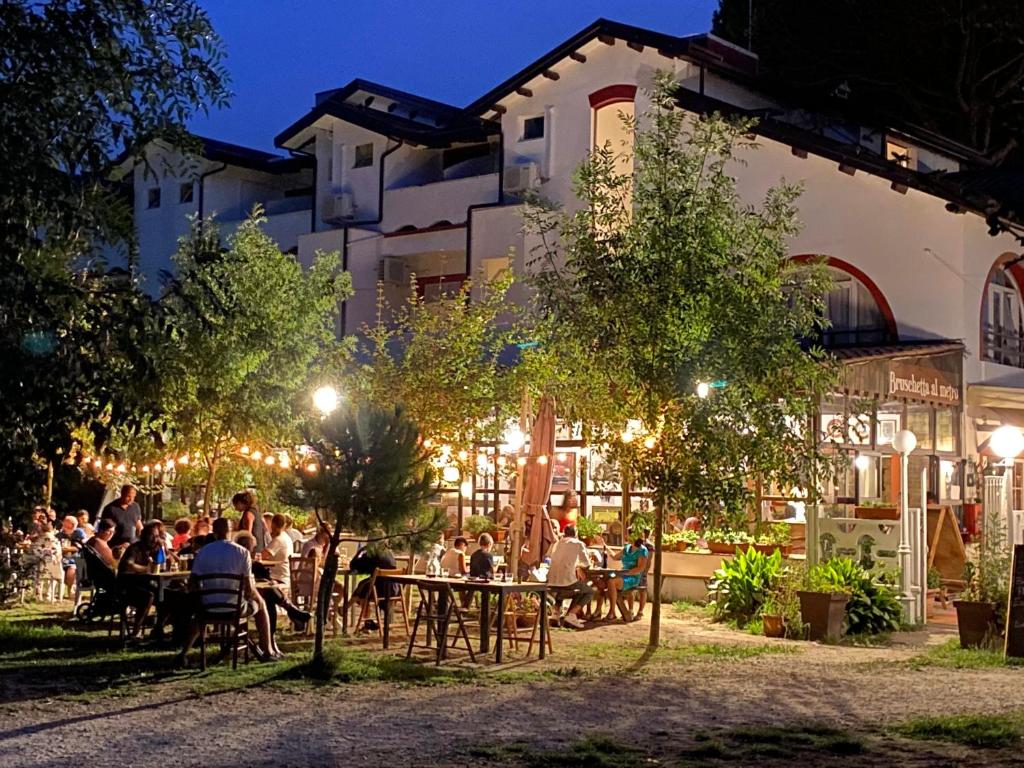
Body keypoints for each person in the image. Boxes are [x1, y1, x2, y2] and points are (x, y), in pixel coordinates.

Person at [181, 517, 274, 662]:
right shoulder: (242, 552)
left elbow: (193, 584)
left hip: (208, 607)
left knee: (198, 616)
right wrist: (257, 599)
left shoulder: (203, 552)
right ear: (230, 531)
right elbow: (249, 588)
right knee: (261, 606)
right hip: (235, 608)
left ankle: (183, 653)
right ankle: (267, 650)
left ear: (214, 532)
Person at [237, 532, 310, 653]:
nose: (253, 551)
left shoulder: (253, 564)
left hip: (250, 596)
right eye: (252, 548)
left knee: (268, 598)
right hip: (244, 600)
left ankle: (271, 642)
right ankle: (289, 611)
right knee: (267, 598)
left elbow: (264, 580)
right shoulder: (246, 563)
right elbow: (250, 588)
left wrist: (268, 582)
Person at [116, 520, 165, 637]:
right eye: (151, 535)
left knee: (168, 594)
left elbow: (161, 563)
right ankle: (135, 631)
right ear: (144, 535)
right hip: (127, 586)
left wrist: (164, 551)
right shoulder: (135, 548)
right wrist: (145, 569)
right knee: (148, 596)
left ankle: (159, 628)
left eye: (157, 536)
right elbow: (129, 564)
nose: (154, 539)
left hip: (144, 583)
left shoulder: (156, 548)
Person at [546, 524, 596, 629]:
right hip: (567, 582)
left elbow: (549, 557)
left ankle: (556, 614)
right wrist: (578, 566)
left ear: (564, 533)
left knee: (574, 588)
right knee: (589, 591)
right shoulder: (578, 544)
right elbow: (586, 564)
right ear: (576, 533)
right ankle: (571, 615)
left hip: (550, 582)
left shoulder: (556, 543)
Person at [350, 539, 399, 631]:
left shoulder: (372, 554)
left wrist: (360, 551)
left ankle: (349, 611)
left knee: (363, 589)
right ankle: (366, 621)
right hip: (394, 589)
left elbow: (353, 565)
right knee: (365, 586)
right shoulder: (389, 553)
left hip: (380, 591)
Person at [603, 535, 649, 622]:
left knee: (611, 582)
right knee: (603, 579)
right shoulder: (627, 548)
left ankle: (612, 612)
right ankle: (598, 611)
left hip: (633, 577)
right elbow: (615, 557)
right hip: (622, 574)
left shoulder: (642, 550)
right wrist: (605, 545)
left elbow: (640, 568)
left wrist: (624, 573)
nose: (625, 537)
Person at [101, 484, 143, 554]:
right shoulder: (110, 509)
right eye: (128, 496)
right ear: (122, 494)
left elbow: (139, 525)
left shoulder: (135, 506)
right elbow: (105, 530)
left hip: (131, 545)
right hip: (115, 546)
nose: (131, 499)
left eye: (133, 497)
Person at [258, 514, 292, 590]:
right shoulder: (287, 538)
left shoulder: (279, 540)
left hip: (278, 577)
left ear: (273, 525)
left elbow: (261, 556)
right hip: (286, 575)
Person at [55, 514, 87, 593]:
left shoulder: (79, 532)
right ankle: (54, 592)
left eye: (66, 522)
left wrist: (69, 549)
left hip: (76, 559)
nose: (63, 523)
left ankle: (71, 590)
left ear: (71, 524)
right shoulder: (59, 535)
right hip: (61, 559)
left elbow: (82, 546)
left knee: (71, 570)